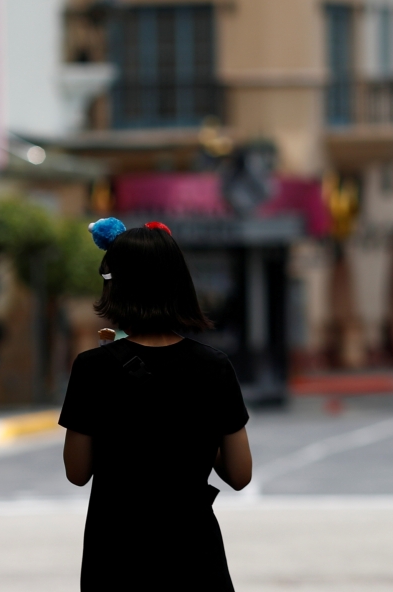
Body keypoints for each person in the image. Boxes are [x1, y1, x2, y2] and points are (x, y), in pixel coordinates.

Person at [60, 219, 253, 591]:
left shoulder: (92, 368)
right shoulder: (214, 367)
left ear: (114, 287)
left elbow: (77, 471)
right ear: (180, 284)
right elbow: (239, 474)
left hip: (115, 556)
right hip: (193, 556)